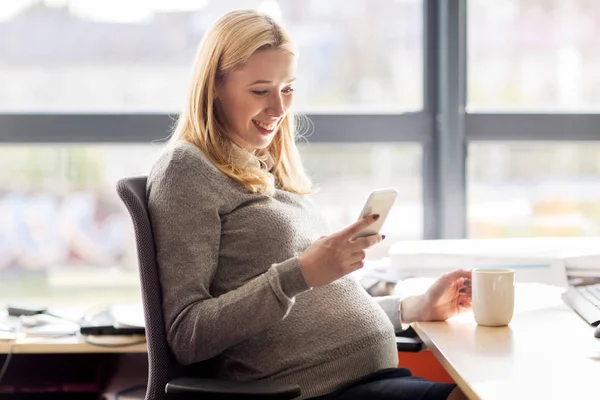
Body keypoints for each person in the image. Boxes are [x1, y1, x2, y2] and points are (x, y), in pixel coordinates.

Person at [147, 9, 472, 400]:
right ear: (214, 85)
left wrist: (413, 307)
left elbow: (311, 313)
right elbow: (186, 334)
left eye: (287, 89)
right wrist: (299, 273)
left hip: (368, 379)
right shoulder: (187, 170)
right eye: (260, 90)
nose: (279, 109)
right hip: (315, 390)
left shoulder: (266, 169)